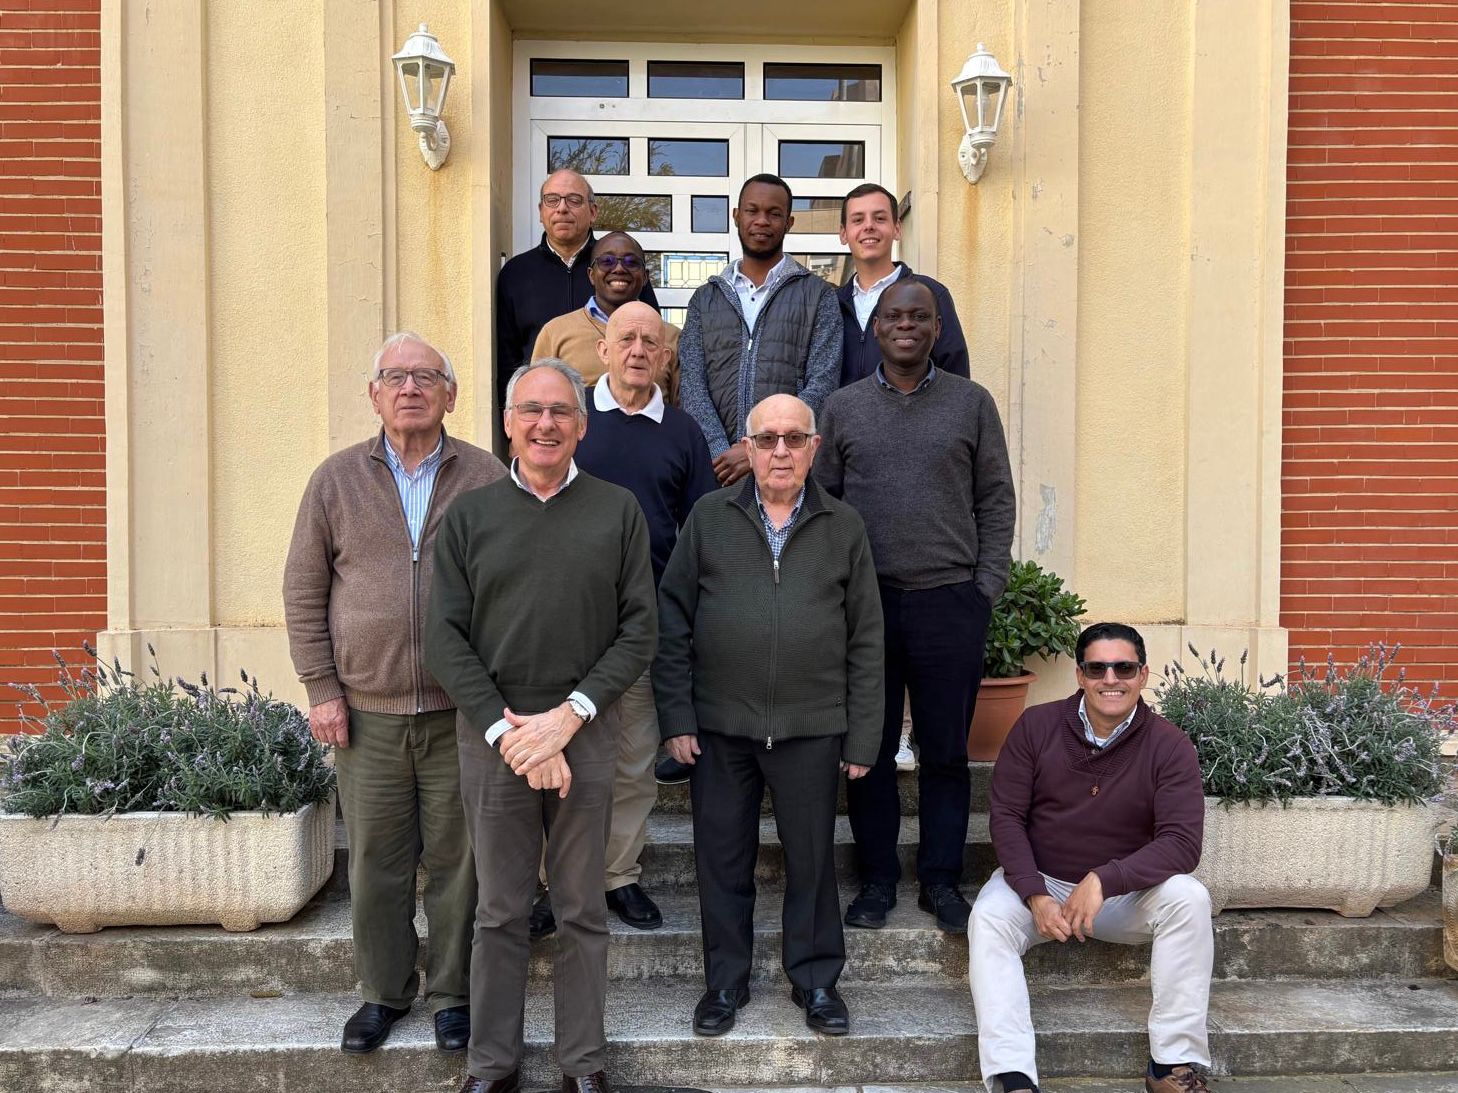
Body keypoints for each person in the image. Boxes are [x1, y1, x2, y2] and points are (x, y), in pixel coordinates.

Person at [424, 359, 657, 1093]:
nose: (546, 424)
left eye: (561, 412)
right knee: (499, 909)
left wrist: (568, 717)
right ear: (508, 423)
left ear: (582, 426)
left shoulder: (617, 511)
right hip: (492, 737)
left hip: (586, 732)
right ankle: (492, 1065)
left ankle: (582, 1064)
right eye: (531, 410)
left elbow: (639, 629)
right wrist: (512, 734)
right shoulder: (469, 516)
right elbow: (443, 638)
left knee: (582, 907)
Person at [283, 332, 506, 1056]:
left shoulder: (486, 476)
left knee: (458, 863)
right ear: (374, 394)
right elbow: (304, 589)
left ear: (451, 394)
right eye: (395, 376)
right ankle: (383, 992)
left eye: (426, 376)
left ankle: (453, 995)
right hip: (366, 714)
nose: (411, 387)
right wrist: (322, 686)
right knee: (376, 864)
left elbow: (510, 585)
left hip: (459, 712)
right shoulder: (335, 480)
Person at [654, 393, 883, 1039]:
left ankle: (816, 980)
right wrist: (677, 716)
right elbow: (672, 620)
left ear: (814, 447)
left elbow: (867, 637)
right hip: (721, 728)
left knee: (812, 862)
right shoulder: (709, 517)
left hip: (812, 727)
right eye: (767, 439)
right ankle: (725, 982)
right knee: (722, 861)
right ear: (748, 449)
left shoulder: (844, 526)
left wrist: (864, 735)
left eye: (794, 438)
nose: (781, 450)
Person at [815, 276, 1015, 934]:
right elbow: (823, 505)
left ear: (937, 328)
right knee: (867, 750)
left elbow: (996, 497)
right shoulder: (842, 408)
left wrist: (985, 587)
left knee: (946, 751)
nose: (906, 325)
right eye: (894, 316)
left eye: (919, 316)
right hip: (866, 605)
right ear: (876, 328)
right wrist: (834, 593)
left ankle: (940, 879)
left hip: (949, 601)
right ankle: (877, 880)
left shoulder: (971, 403)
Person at [529, 302, 715, 938]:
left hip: (643, 626)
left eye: (651, 342)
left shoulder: (683, 433)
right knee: (559, 758)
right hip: (565, 621)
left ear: (665, 357)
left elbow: (700, 532)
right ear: (603, 349)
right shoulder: (570, 420)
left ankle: (617, 875)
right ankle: (555, 882)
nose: (638, 350)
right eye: (626, 338)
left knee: (634, 763)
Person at [972, 622, 1213, 1093]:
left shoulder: (1169, 744)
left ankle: (1171, 1066)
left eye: (1124, 668)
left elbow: (1183, 842)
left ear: (1143, 675)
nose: (1111, 679)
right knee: (988, 918)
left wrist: (1105, 879)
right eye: (1097, 668)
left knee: (1190, 899)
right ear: (1080, 675)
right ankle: (1013, 1076)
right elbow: (1006, 818)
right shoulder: (1036, 726)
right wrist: (1034, 894)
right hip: (1041, 881)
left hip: (1124, 896)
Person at [677, 173, 841, 488]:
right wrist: (721, 451)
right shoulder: (705, 299)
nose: (762, 221)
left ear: (789, 222)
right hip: (718, 471)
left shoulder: (819, 296)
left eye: (773, 213)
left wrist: (759, 449)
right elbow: (692, 385)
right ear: (736, 216)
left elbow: (822, 385)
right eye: (752, 211)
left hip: (788, 469)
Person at [495, 170, 660, 413]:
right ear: (541, 211)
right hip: (550, 414)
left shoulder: (616, 268)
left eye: (574, 200)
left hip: (626, 411)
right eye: (552, 200)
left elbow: (652, 334)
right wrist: (512, 419)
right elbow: (508, 361)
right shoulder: (516, 274)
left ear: (593, 212)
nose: (562, 209)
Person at [836, 182, 970, 386]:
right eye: (858, 220)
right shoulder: (831, 303)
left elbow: (955, 377)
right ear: (844, 233)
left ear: (897, 229)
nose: (869, 226)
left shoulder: (931, 294)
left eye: (879, 218)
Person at [533, 230, 681, 405]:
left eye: (631, 262)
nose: (619, 269)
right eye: (606, 261)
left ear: (645, 277)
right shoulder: (555, 332)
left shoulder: (671, 338)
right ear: (591, 275)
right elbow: (536, 401)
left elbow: (682, 411)